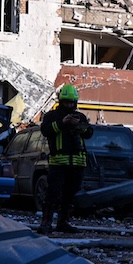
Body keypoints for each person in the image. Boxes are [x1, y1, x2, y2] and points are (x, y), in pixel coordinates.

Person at [38, 84, 93, 235]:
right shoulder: (52, 116)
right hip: (59, 162)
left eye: (71, 102)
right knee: (53, 193)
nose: (69, 105)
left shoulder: (80, 116)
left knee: (70, 195)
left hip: (78, 162)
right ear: (61, 101)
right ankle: (46, 222)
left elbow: (89, 133)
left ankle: (63, 222)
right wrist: (62, 123)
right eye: (66, 102)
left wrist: (79, 126)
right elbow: (46, 131)